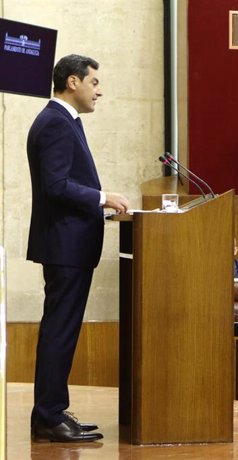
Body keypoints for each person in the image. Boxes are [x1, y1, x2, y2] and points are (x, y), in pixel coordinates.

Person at [27, 55, 129, 442]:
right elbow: (55, 185)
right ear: (73, 81)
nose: (99, 90)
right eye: (94, 82)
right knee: (60, 331)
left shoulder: (62, 120)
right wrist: (103, 196)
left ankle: (52, 411)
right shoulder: (55, 122)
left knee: (61, 331)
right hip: (65, 245)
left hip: (68, 244)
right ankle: (49, 416)